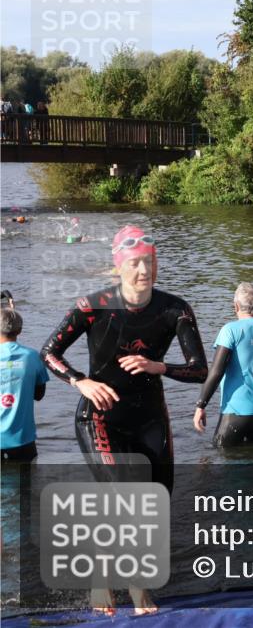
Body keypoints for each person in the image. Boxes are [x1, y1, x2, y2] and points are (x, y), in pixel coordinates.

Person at [40, 225, 207, 615]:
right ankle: (118, 584)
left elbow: (200, 370)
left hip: (149, 417)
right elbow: (49, 352)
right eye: (135, 264)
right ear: (119, 267)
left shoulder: (175, 309)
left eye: (149, 262)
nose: (143, 271)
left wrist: (157, 365)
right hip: (100, 418)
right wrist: (80, 381)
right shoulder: (92, 305)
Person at [193, 283, 253, 447]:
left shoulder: (230, 331)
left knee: (220, 456)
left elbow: (216, 371)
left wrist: (201, 405)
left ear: (235, 306)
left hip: (235, 412)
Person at [1, 296, 49, 462]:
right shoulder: (32, 356)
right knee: (25, 486)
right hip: (22, 441)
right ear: (20, 331)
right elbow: (39, 395)